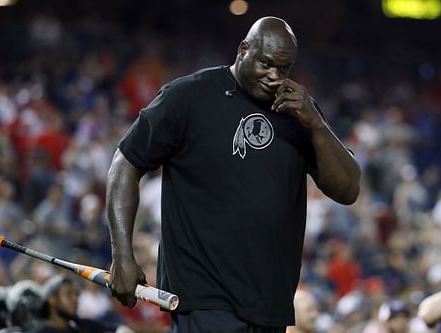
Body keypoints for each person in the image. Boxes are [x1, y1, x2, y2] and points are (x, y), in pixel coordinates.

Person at [106, 16, 361, 332]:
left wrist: (317, 125)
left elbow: (348, 190)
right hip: (203, 295)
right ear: (244, 49)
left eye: (284, 69)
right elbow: (125, 164)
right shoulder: (188, 97)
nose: (274, 76)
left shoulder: (299, 113)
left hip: (270, 303)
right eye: (266, 64)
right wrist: (122, 255)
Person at [27, 274, 132, 333]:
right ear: (52, 299)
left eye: (76, 294)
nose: (75, 299)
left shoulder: (81, 325)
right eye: (69, 294)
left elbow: (117, 329)